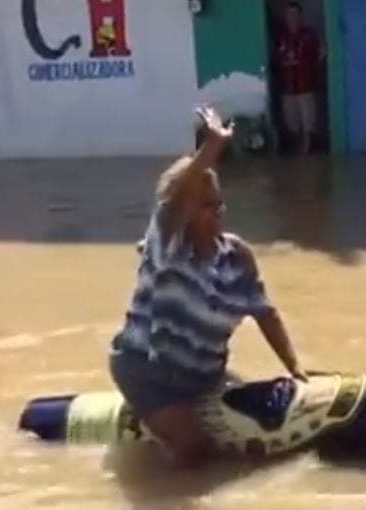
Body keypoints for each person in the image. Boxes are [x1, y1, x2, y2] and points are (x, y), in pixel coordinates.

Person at [109, 106, 306, 468]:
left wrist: (296, 369)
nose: (217, 212)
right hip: (149, 375)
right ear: (183, 211)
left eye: (220, 204)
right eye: (205, 206)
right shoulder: (167, 245)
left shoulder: (237, 255)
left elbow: (265, 313)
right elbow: (173, 199)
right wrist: (211, 148)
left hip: (204, 376)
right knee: (195, 448)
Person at [274, 1, 325, 153]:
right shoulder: (281, 37)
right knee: (292, 126)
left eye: (296, 14)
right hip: (288, 89)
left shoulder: (309, 35)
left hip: (306, 87)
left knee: (309, 125)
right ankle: (296, 157)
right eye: (290, 14)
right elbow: (275, 59)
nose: (293, 17)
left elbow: (322, 53)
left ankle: (309, 155)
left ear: (301, 16)